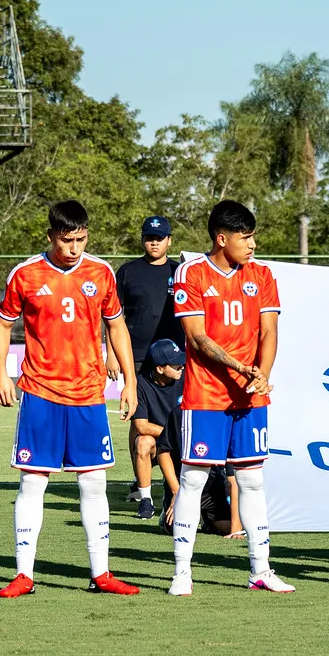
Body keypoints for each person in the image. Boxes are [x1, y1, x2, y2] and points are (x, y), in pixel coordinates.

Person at [0, 200, 139, 597]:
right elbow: (3, 325)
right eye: (67, 240)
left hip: (89, 394)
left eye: (81, 239)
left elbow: (117, 327)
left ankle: (101, 574)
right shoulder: (25, 274)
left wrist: (129, 381)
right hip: (40, 393)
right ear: (51, 236)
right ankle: (24, 574)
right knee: (33, 483)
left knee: (93, 484)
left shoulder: (100, 272)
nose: (75, 247)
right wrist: (1, 372)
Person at [168, 200, 293, 595]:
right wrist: (243, 369)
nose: (253, 244)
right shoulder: (191, 273)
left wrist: (263, 376)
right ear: (222, 239)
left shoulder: (262, 274)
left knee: (253, 481)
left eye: (254, 236)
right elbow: (197, 339)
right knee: (193, 479)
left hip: (250, 398)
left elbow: (268, 332)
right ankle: (182, 573)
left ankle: (261, 570)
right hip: (206, 395)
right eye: (246, 237)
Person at [116, 215, 184, 519]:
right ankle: (140, 483)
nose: (154, 242)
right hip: (137, 356)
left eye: (160, 237)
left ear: (170, 240)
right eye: (149, 237)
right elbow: (113, 317)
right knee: (136, 416)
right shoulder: (128, 271)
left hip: (174, 359)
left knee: (174, 408)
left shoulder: (179, 272)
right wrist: (110, 355)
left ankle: (152, 472)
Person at [140, 339, 185, 521]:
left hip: (186, 441)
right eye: (176, 365)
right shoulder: (141, 384)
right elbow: (141, 426)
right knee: (143, 441)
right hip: (163, 443)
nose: (181, 367)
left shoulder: (187, 378)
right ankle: (145, 500)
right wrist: (173, 435)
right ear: (160, 368)